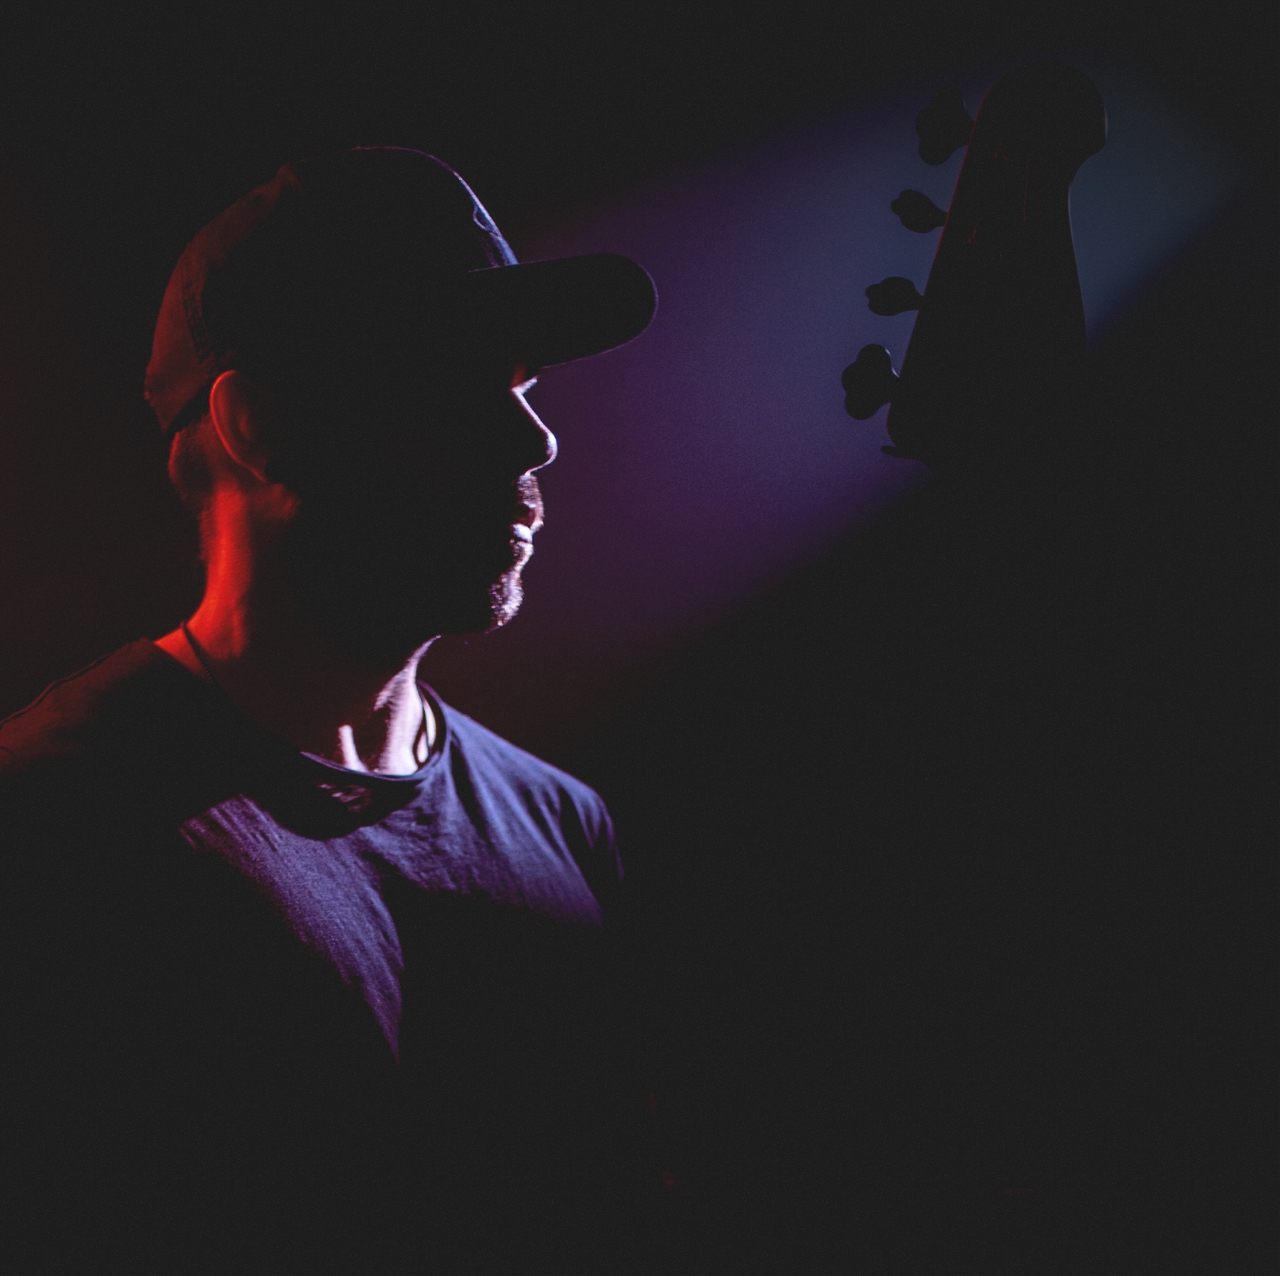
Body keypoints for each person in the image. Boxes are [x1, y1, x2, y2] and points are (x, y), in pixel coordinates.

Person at [0, 147, 657, 1274]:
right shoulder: (56, 823)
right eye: (456, 382)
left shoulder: (566, 825)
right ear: (258, 422)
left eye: (525, 386)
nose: (534, 440)